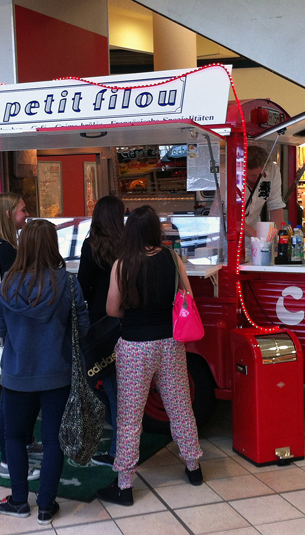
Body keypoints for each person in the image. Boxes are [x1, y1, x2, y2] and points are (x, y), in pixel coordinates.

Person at [97, 205, 203, 507]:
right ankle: (193, 467)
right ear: (156, 230)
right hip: (170, 342)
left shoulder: (122, 264)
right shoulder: (172, 258)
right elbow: (188, 299)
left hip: (134, 346)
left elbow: (111, 309)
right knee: (180, 406)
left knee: (130, 417)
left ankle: (125, 485)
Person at [0, 219, 89, 526]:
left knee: (15, 437)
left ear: (23, 245)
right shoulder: (68, 283)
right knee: (53, 441)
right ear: (52, 245)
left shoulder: (6, 283)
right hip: (57, 373)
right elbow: (82, 327)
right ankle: (46, 506)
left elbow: (1, 329)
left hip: (17, 374)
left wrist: (20, 347)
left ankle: (19, 501)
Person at [0, 193, 40, 482]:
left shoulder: (11, 245)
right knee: (11, 393)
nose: (27, 214)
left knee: (22, 390)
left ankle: (25, 442)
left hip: (20, 328)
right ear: (7, 214)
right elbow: (0, 295)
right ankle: (8, 458)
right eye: (22, 210)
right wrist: (7, 334)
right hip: (11, 330)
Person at [76, 195, 124, 467]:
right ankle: (123, 434)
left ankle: (119, 448)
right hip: (126, 322)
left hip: (98, 324)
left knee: (100, 380)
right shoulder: (130, 245)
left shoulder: (91, 245)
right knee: (116, 385)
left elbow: (82, 285)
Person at [209, 144, 285, 232]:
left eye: (260, 174)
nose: (257, 178)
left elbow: (275, 205)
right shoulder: (225, 174)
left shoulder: (273, 170)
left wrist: (276, 237)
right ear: (241, 169)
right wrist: (258, 236)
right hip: (223, 231)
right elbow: (230, 215)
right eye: (252, 175)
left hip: (253, 228)